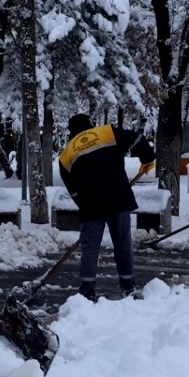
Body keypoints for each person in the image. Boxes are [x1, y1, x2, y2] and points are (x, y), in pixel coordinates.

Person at [58, 113, 156, 301]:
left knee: (90, 248)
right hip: (118, 198)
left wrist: (84, 204)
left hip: (91, 205)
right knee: (122, 244)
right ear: (90, 125)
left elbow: (73, 190)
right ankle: (128, 287)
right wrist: (147, 158)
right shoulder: (106, 133)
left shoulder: (67, 152)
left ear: (72, 132)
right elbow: (136, 139)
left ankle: (87, 293)